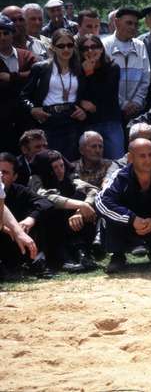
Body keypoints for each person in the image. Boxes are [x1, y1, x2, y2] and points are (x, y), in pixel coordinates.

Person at [96, 138, 151, 273]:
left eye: (150, 155)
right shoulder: (120, 176)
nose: (148, 160)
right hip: (127, 227)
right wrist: (132, 219)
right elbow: (102, 202)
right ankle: (117, 257)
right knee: (109, 218)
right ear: (131, 158)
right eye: (142, 156)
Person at [20, 29, 88, 162]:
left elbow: (86, 94)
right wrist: (32, 109)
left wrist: (83, 110)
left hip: (72, 118)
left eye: (70, 45)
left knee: (71, 160)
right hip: (48, 118)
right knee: (50, 160)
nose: (66, 49)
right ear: (53, 47)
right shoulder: (41, 68)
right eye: (61, 46)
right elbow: (24, 95)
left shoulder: (79, 69)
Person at [29, 149, 98, 272]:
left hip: (72, 225)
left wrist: (81, 209)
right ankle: (62, 257)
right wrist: (81, 205)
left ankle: (82, 252)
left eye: (61, 165)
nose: (60, 170)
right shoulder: (35, 180)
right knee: (48, 208)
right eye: (55, 167)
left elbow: (92, 190)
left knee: (86, 200)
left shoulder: (69, 177)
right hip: (49, 230)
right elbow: (47, 197)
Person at [0, 152, 52, 279]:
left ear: (14, 176)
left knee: (37, 217)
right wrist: (7, 229)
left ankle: (36, 262)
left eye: (5, 172)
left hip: (17, 241)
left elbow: (46, 203)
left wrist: (30, 219)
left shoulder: (20, 191)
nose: (0, 175)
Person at [77, 33, 124, 159]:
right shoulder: (77, 70)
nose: (90, 50)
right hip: (87, 123)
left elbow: (104, 95)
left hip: (110, 121)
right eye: (85, 48)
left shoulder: (113, 68)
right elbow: (75, 94)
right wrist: (81, 102)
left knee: (116, 160)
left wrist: (90, 73)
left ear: (101, 49)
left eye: (94, 46)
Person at [102, 7, 151, 122]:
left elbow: (146, 77)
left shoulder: (140, 46)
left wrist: (137, 101)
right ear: (116, 22)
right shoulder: (104, 45)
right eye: (129, 23)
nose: (133, 27)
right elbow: (103, 80)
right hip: (110, 110)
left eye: (135, 24)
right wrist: (122, 104)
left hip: (137, 111)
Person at [0, 15, 36, 154]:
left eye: (6, 33)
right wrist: (22, 79)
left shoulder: (27, 56)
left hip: (27, 120)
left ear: (12, 34)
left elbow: (36, 76)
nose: (2, 37)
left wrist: (11, 77)